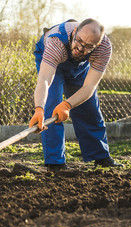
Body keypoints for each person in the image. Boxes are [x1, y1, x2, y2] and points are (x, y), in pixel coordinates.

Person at [29, 18, 124, 172]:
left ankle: (100, 156)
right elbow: (45, 80)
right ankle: (55, 162)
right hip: (52, 61)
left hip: (79, 67)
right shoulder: (56, 43)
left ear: (97, 45)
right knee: (52, 105)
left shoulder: (104, 48)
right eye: (78, 41)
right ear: (74, 32)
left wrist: (67, 105)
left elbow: (89, 86)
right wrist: (39, 109)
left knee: (89, 107)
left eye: (87, 46)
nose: (80, 48)